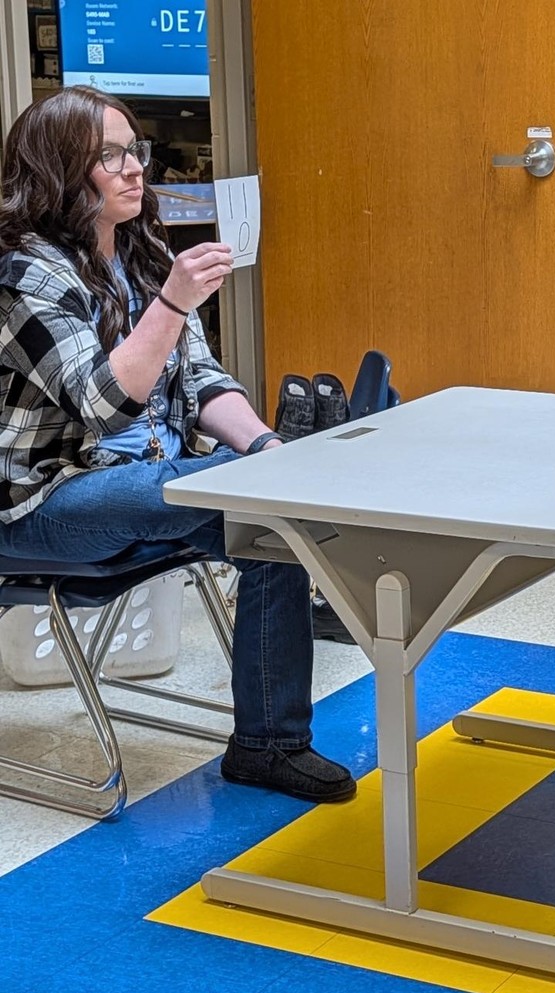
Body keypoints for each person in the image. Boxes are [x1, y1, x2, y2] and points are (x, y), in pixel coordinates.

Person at [0, 87, 356, 803]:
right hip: (45, 501)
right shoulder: (23, 273)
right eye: (110, 156)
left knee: (269, 520)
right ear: (59, 170)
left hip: (148, 479)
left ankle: (268, 745)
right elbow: (101, 403)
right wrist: (171, 304)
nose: (134, 169)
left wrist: (261, 445)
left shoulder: (140, 250)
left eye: (135, 151)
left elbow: (201, 379)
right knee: (242, 494)